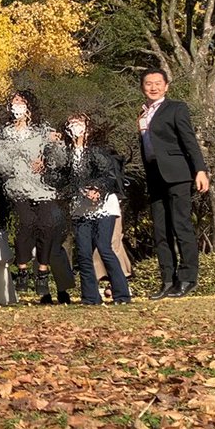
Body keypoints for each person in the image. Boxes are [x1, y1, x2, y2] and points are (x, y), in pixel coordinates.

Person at [138, 69, 210, 298]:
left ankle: (187, 278)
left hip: (177, 174)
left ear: (166, 86)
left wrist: (200, 170)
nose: (153, 87)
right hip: (154, 176)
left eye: (158, 83)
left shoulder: (176, 108)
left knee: (181, 225)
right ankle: (167, 279)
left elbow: (189, 140)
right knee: (160, 230)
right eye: (148, 83)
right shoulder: (142, 114)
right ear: (142, 87)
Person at [0, 91, 69, 303]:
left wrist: (53, 149)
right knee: (26, 222)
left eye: (20, 102)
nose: (16, 106)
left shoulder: (42, 131)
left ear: (29, 106)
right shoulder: (4, 135)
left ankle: (42, 270)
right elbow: (1, 166)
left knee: (47, 224)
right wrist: (9, 160)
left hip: (42, 187)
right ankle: (22, 267)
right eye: (13, 102)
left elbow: (60, 160)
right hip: (17, 186)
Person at [49, 114, 132, 306]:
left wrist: (97, 189)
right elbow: (58, 179)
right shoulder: (66, 154)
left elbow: (108, 175)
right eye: (71, 124)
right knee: (84, 253)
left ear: (88, 128)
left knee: (104, 247)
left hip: (104, 206)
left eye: (79, 123)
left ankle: (122, 294)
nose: (75, 127)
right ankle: (90, 297)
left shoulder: (97, 150)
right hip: (81, 208)